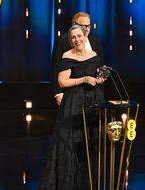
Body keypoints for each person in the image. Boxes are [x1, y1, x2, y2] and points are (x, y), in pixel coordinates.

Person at [38, 25, 107, 189]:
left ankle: (88, 182)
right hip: (74, 104)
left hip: (93, 101)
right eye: (73, 37)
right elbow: (62, 81)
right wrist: (83, 79)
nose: (77, 40)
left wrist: (99, 79)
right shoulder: (67, 55)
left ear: (85, 36)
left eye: (79, 36)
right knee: (70, 142)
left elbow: (96, 76)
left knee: (91, 141)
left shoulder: (94, 55)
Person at [52, 12, 104, 106]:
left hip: (94, 95)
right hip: (72, 96)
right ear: (74, 25)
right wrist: (58, 93)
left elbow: (99, 67)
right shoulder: (63, 40)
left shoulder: (95, 41)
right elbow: (56, 67)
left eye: (89, 26)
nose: (87, 29)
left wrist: (100, 78)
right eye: (84, 26)